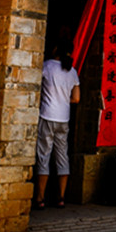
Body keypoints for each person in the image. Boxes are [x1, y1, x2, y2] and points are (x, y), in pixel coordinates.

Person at [35, 46, 80, 209]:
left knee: (43, 155)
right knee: (62, 156)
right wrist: (62, 100)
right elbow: (76, 98)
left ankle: (40, 198)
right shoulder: (72, 71)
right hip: (64, 118)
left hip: (47, 115)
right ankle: (61, 197)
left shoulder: (46, 66)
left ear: (54, 49)